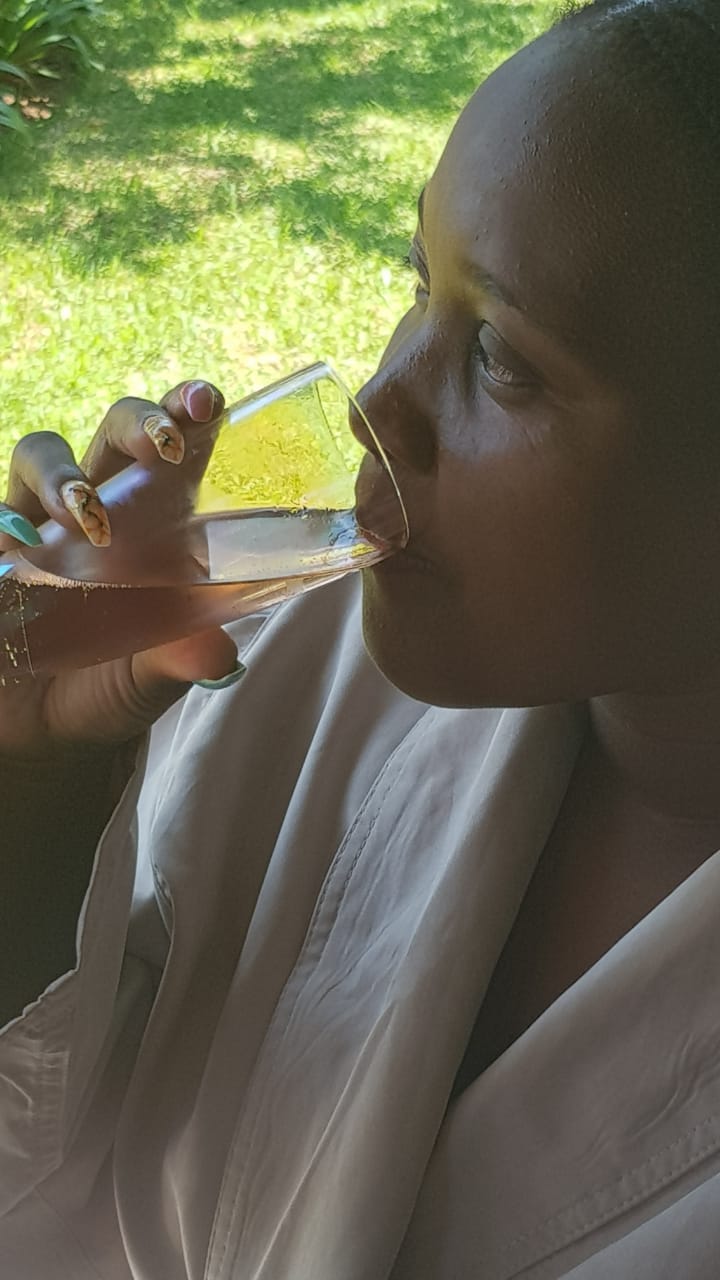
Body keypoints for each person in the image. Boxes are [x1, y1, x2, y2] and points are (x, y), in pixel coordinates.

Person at [2, 0, 720, 1274]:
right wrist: (34, 775)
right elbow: (53, 1161)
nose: (377, 399)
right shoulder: (297, 663)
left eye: (499, 357)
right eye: (416, 278)